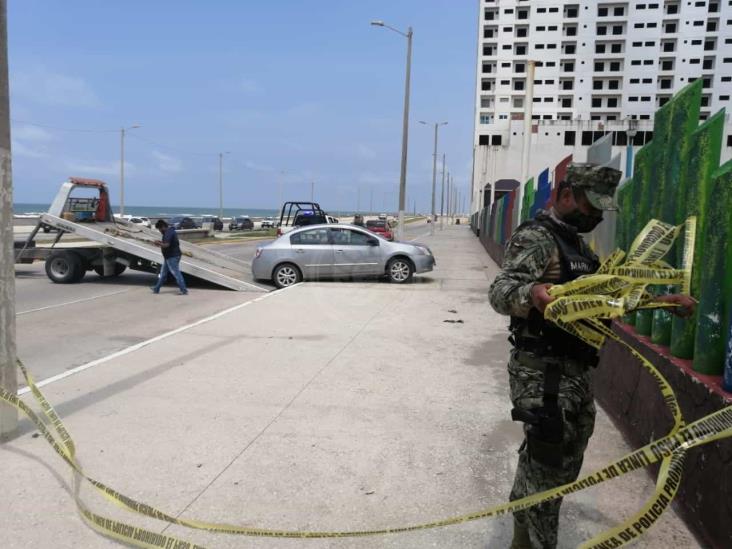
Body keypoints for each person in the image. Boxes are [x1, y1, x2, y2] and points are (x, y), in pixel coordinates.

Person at [488, 163, 695, 549]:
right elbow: (500, 291)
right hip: (543, 372)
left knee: (559, 463)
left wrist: (659, 302)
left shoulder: (578, 248)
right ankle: (534, 542)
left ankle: (523, 531)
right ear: (566, 196)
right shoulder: (538, 238)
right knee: (549, 464)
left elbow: (604, 299)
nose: (597, 215)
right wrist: (533, 294)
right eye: (591, 205)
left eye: (602, 208)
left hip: (576, 371)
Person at [152, 219, 188, 295]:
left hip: (172, 257)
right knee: (163, 274)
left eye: (159, 229)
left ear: (163, 227)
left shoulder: (168, 233)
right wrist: (160, 242)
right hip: (169, 256)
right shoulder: (170, 231)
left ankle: (184, 290)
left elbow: (166, 245)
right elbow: (167, 243)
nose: (159, 231)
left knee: (176, 273)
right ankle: (156, 288)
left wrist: (158, 243)